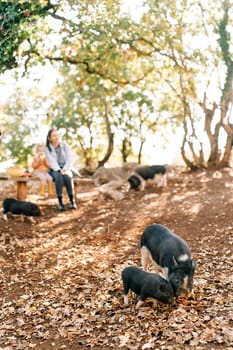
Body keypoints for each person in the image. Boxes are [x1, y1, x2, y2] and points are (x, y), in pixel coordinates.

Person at [45, 129, 77, 211]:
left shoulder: (65, 145)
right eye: (54, 136)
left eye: (57, 135)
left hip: (66, 167)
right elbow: (51, 161)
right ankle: (60, 202)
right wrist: (59, 170)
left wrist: (65, 169)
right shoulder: (47, 148)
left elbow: (69, 158)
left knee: (67, 177)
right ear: (49, 138)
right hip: (54, 169)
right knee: (58, 177)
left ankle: (72, 201)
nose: (56, 137)